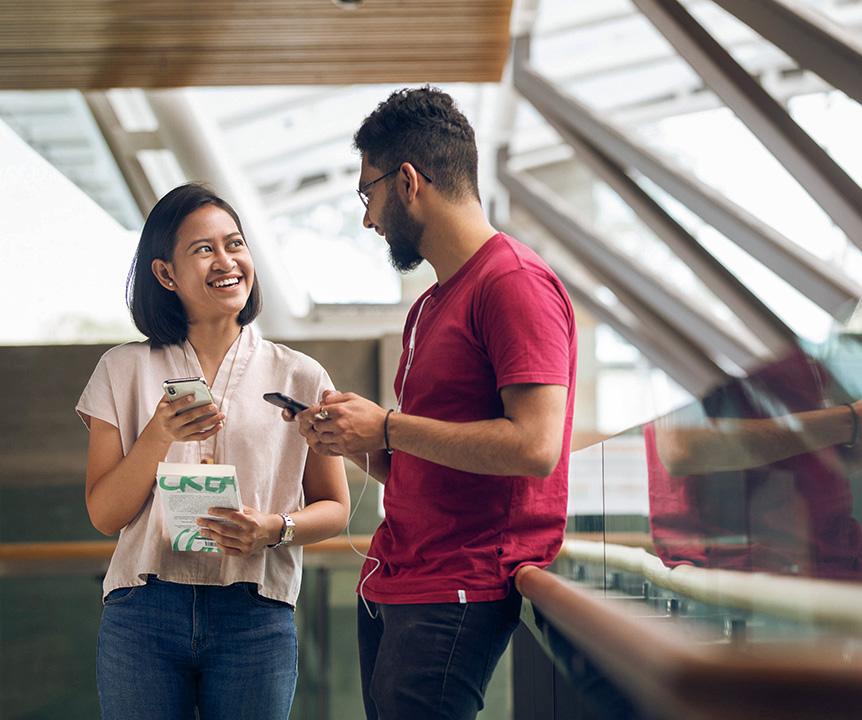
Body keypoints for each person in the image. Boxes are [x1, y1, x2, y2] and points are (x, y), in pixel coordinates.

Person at [288, 87, 578, 720]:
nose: (368, 218)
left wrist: (387, 426)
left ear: (409, 180)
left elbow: (535, 447)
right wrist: (357, 438)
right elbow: (423, 458)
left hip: (460, 585)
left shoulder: (514, 285)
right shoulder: (430, 304)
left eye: (369, 193)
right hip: (402, 575)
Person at [76, 183, 350, 720]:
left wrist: (276, 528)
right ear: (165, 274)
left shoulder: (299, 373)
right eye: (203, 249)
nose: (226, 261)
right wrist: (158, 435)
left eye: (235, 244)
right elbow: (105, 514)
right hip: (142, 609)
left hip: (255, 611)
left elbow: (335, 507)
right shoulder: (122, 369)